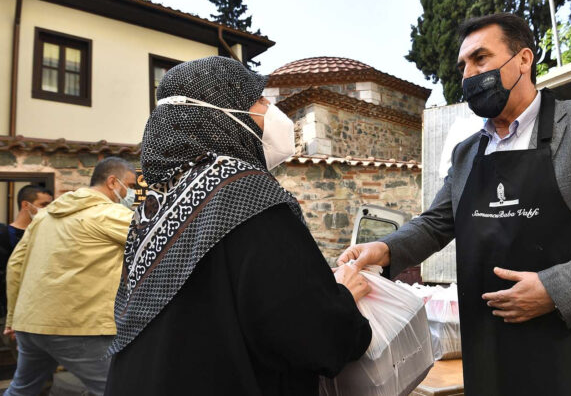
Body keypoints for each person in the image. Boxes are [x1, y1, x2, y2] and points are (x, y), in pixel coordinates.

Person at [338, 13, 571, 395]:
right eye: (463, 65)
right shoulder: (467, 152)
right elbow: (436, 223)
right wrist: (384, 249)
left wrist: (554, 288)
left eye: (481, 58)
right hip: (494, 357)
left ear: (523, 60)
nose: (468, 74)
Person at [104, 56, 372, 396]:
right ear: (221, 113)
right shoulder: (247, 195)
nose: (271, 109)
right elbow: (314, 335)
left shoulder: (155, 204)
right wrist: (344, 297)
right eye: (258, 99)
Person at [3, 157, 136, 396]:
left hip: (30, 323)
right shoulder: (109, 214)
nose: (134, 192)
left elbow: (16, 265)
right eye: (132, 185)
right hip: (79, 325)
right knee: (116, 388)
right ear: (113, 182)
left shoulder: (44, 216)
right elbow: (157, 245)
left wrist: (13, 317)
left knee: (22, 389)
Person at [0, 186, 53, 315]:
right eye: (44, 204)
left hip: (34, 307)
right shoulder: (4, 234)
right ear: (25, 205)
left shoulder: (48, 234)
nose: (48, 209)